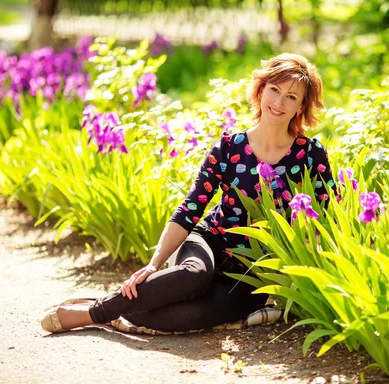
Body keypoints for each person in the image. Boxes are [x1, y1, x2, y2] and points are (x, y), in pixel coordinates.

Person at [41, 53, 336, 334]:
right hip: (209, 243)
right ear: (260, 91)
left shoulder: (309, 155)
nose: (279, 102)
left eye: (292, 96)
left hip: (253, 271)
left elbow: (327, 216)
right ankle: (93, 312)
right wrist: (154, 264)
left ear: (301, 107)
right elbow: (190, 209)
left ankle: (116, 308)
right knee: (194, 276)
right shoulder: (229, 148)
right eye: (274, 89)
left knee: (188, 316)